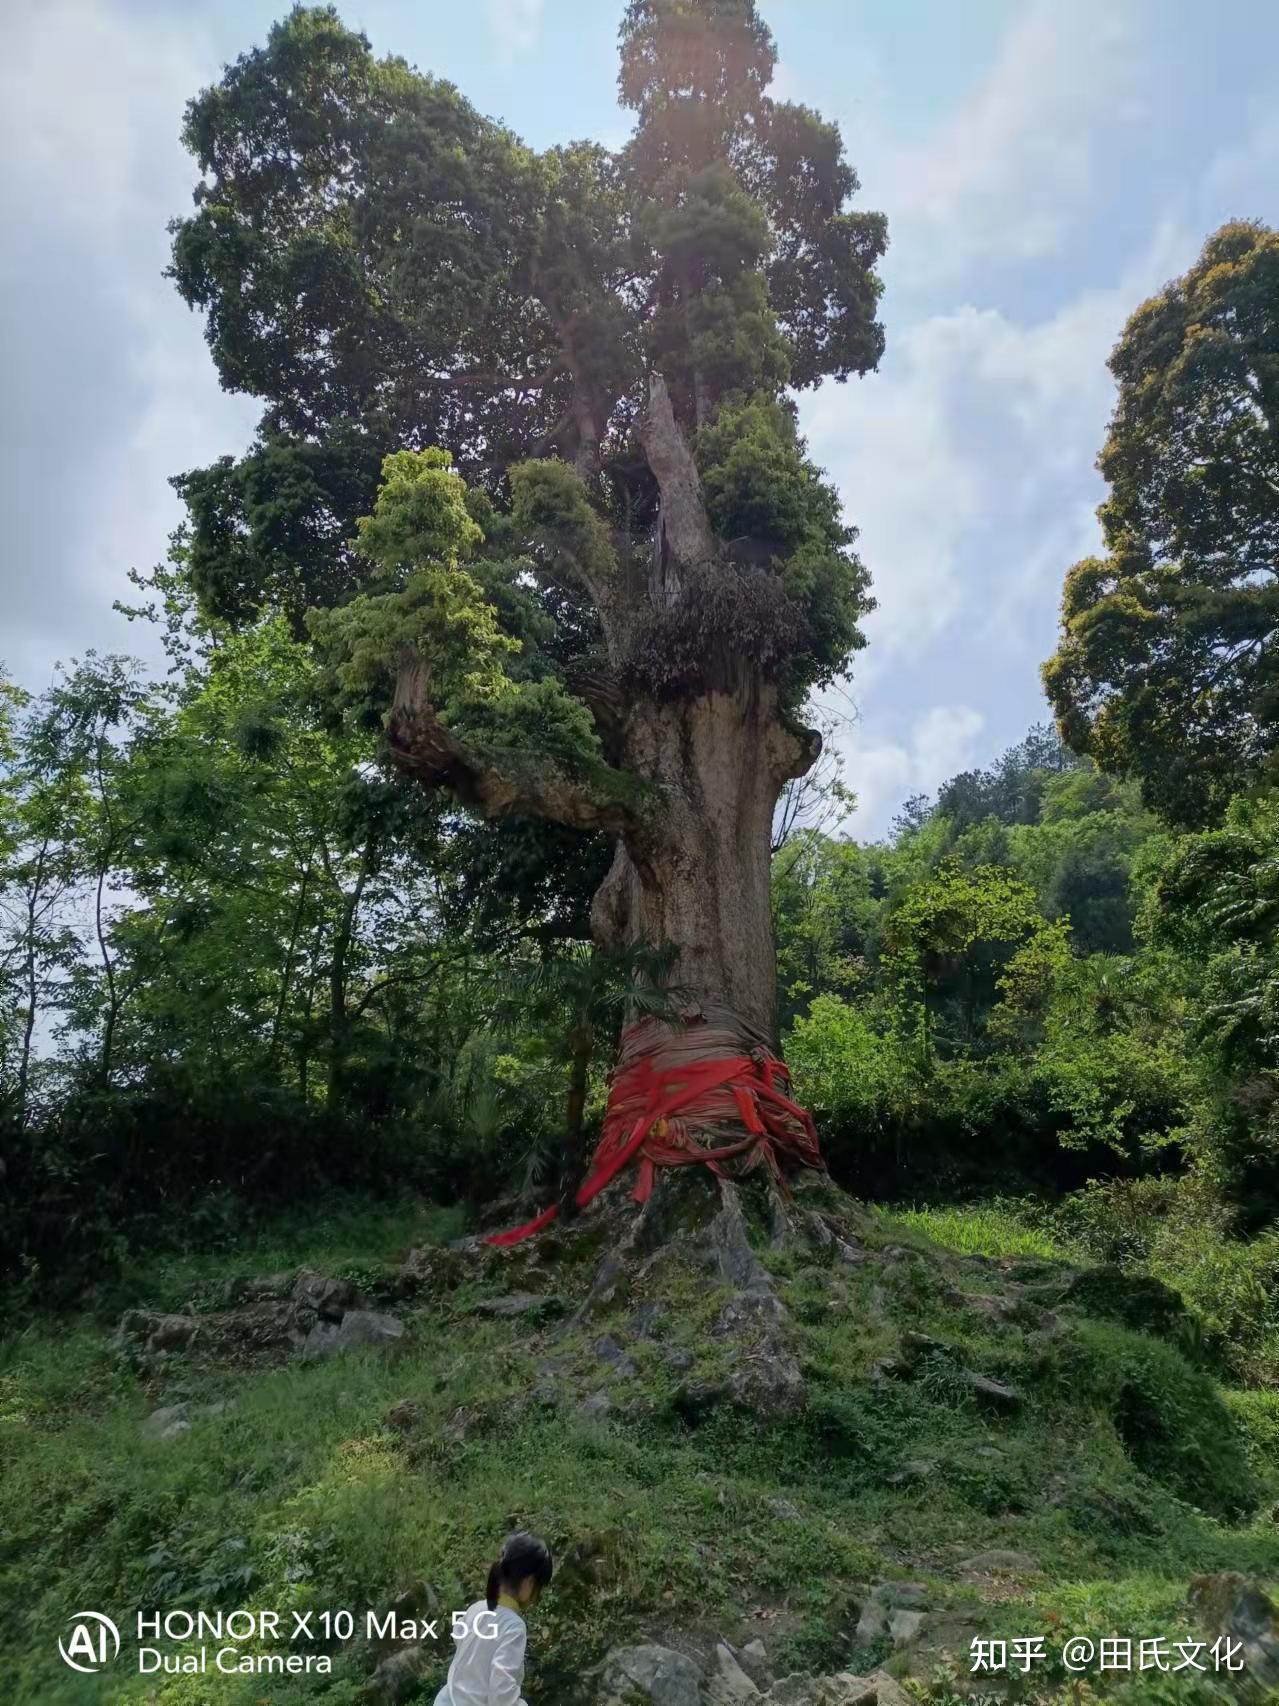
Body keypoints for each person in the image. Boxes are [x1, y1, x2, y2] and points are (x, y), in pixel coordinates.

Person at [434, 1531, 554, 1706]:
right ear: (529, 1583)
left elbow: (458, 1635)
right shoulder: (513, 1626)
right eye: (539, 1588)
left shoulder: (476, 1608)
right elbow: (502, 1691)